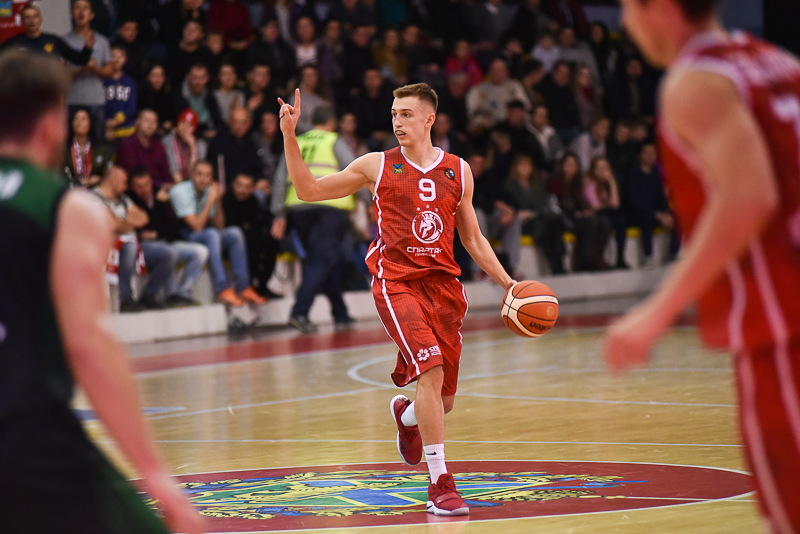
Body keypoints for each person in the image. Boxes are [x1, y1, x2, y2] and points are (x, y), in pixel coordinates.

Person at [604, 1, 800, 531]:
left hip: (782, 324)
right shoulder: (778, 63)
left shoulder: (695, 83)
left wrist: (655, 313)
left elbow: (749, 195)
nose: (625, 22)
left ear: (662, 8)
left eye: (630, 7)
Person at [277, 83, 515, 515]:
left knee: (441, 400)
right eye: (393, 114)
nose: (397, 121)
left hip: (443, 287)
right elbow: (308, 189)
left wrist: (508, 284)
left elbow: (473, 238)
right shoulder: (377, 164)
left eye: (406, 114)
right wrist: (289, 137)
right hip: (396, 281)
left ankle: (407, 417)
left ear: (429, 119)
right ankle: (440, 484)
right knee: (431, 368)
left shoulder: (458, 170)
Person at [0, 50, 202, 533]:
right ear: (52, 125)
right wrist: (154, 473)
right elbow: (87, 344)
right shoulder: (66, 207)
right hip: (25, 437)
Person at [272, 106, 357, 333]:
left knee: (327, 259)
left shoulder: (297, 141)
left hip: (298, 208)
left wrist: (279, 213)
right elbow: (356, 170)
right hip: (329, 206)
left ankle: (340, 313)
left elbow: (280, 178)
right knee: (322, 260)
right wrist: (369, 202)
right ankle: (299, 312)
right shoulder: (333, 140)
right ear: (331, 123)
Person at [169, 160, 266, 306]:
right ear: (191, 175)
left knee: (234, 233)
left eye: (207, 175)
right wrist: (209, 201)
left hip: (204, 232)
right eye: (199, 175)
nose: (203, 179)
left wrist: (218, 200)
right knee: (211, 234)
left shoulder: (209, 191)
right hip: (182, 235)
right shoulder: (180, 191)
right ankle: (221, 288)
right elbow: (196, 226)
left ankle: (243, 286)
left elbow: (220, 225)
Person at [127, 168, 210, 306]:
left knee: (201, 252)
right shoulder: (130, 200)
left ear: (151, 182)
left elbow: (174, 226)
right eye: (139, 186)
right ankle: (170, 294)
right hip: (144, 247)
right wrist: (158, 205)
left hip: (167, 240)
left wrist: (157, 233)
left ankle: (183, 292)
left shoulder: (161, 195)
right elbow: (142, 226)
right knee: (167, 252)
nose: (144, 189)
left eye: (146, 184)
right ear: (131, 187)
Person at [63, 0, 113, 145]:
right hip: (72, 100)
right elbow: (60, 73)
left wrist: (94, 68)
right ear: (72, 13)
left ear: (91, 15)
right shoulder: (64, 41)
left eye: (85, 8)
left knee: (98, 145)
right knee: (71, 145)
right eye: (77, 8)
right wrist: (83, 68)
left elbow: (110, 71)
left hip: (95, 100)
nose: (81, 11)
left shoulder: (102, 41)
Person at [1, 5, 94, 65]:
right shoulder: (15, 43)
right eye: (27, 17)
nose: (32, 21)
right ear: (22, 21)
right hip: (23, 88)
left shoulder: (53, 40)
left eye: (35, 16)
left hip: (48, 87)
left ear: (40, 19)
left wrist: (87, 48)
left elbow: (80, 60)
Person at [116, 109, 172, 187]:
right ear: (137, 122)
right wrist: (158, 186)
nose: (150, 124)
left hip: (161, 188)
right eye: (146, 120)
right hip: (135, 188)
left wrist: (168, 186)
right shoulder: (127, 144)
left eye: (154, 121)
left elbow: (166, 175)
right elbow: (132, 175)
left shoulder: (159, 146)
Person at [63, 108, 115, 188]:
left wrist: (99, 180)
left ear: (90, 123)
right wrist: (82, 182)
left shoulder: (101, 150)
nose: (79, 123)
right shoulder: (64, 150)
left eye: (83, 119)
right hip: (69, 191)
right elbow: (59, 175)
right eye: (76, 119)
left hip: (95, 191)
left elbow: (109, 174)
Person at [163, 108, 207, 183]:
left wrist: (193, 147)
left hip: (194, 184)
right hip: (173, 182)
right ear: (177, 125)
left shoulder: (200, 144)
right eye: (183, 123)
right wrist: (182, 187)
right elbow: (174, 170)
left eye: (190, 125)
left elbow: (196, 174)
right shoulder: (168, 140)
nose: (185, 128)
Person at [104, 43, 137, 139]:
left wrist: (117, 120)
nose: (116, 59)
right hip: (105, 129)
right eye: (113, 56)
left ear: (125, 59)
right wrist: (107, 124)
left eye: (120, 56)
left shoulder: (129, 82)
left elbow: (132, 106)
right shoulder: (102, 80)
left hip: (126, 130)